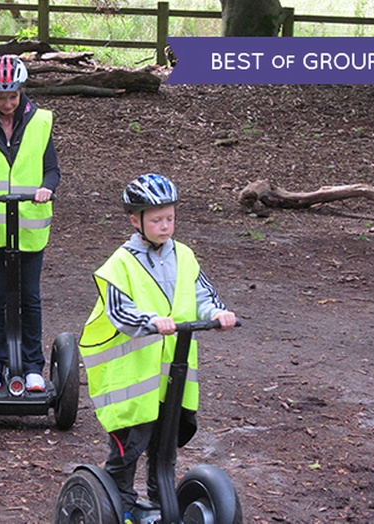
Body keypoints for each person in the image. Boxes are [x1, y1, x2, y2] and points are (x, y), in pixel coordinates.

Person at [78, 173, 237, 524]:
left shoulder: (184, 256)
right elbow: (119, 311)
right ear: (136, 221)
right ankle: (121, 507)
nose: (165, 226)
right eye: (156, 220)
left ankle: (160, 507)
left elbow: (202, 294)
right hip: (130, 380)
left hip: (169, 376)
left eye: (170, 218)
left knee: (165, 447)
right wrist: (149, 320)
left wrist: (218, 313)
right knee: (129, 447)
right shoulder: (120, 263)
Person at [0, 55, 60, 392]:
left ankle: (33, 365)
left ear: (21, 91)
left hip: (30, 224)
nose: (7, 103)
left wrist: (48, 187)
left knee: (30, 297)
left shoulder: (41, 121)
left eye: (13, 96)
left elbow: (52, 169)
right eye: (0, 96)